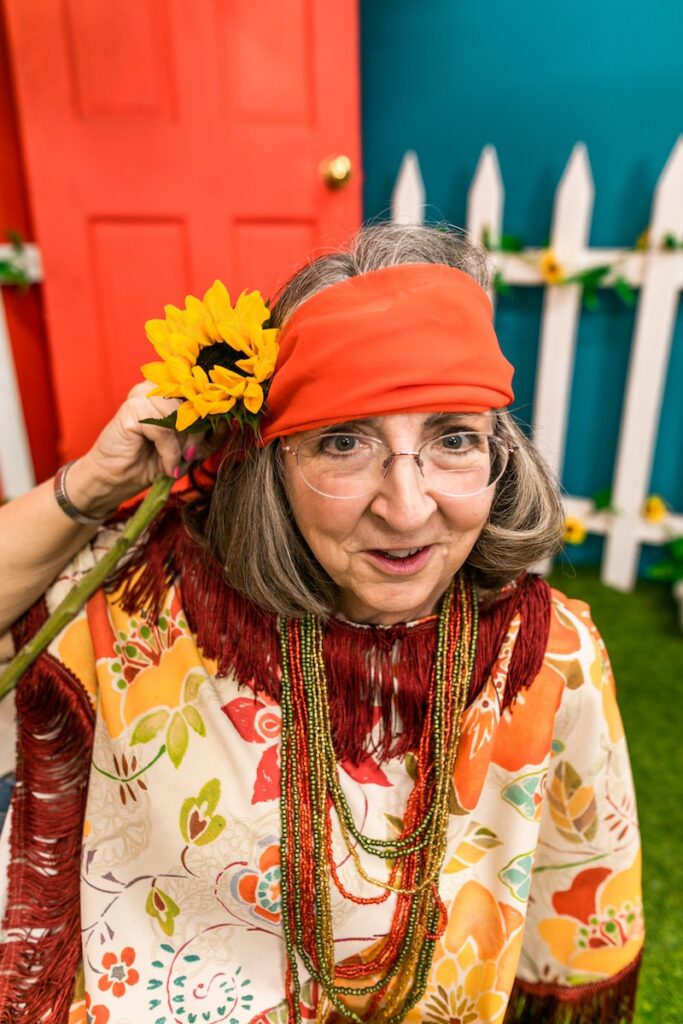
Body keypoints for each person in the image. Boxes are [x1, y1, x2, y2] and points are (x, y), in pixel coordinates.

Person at [0, 224, 643, 1024]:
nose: (405, 509)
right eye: (343, 443)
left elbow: (574, 906)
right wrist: (94, 484)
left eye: (452, 439)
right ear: (276, 467)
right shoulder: (151, 609)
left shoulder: (547, 656)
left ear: (499, 457)